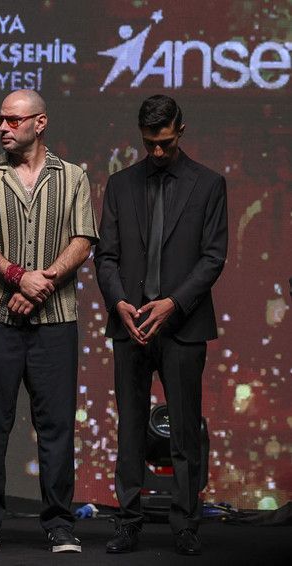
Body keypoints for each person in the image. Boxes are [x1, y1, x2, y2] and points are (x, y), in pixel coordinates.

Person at [0, 89, 98, 554]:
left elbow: (83, 239)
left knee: (56, 427)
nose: (3, 127)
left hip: (55, 320)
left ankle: (59, 524)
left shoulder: (73, 176)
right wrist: (20, 278)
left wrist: (44, 283)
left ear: (40, 123)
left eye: (13, 120)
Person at [95, 94, 227, 556]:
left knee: (185, 432)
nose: (156, 151)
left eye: (165, 143)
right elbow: (106, 256)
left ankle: (186, 523)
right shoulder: (120, 185)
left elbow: (213, 257)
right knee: (130, 428)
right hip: (130, 323)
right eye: (149, 142)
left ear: (180, 131)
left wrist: (172, 303)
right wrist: (119, 303)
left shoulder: (208, 184)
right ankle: (128, 521)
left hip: (182, 325)